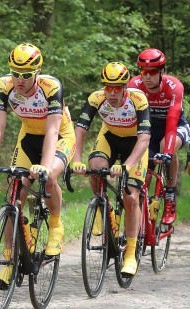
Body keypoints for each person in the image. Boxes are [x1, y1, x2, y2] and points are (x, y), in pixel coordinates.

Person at [0, 43, 75, 288]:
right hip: (28, 138)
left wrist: (43, 167)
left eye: (25, 74)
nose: (19, 80)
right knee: (15, 192)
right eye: (15, 73)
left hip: (59, 137)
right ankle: (9, 259)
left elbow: (53, 130)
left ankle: (55, 225)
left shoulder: (51, 87)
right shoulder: (4, 86)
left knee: (49, 176)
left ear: (37, 71)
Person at [71, 62, 150, 277]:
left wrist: (126, 166)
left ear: (125, 87)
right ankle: (102, 209)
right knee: (96, 168)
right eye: (108, 87)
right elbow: (80, 130)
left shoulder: (138, 100)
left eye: (117, 88)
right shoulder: (97, 98)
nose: (112, 93)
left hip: (135, 144)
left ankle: (131, 254)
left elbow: (144, 139)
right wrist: (77, 159)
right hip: (109, 137)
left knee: (131, 197)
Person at [128, 48, 189, 225]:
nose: (147, 76)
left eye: (152, 72)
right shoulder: (134, 86)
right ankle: (139, 224)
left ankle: (170, 195)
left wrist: (168, 153)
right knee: (142, 179)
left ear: (162, 72)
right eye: (143, 71)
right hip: (148, 132)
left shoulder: (174, 87)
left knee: (165, 147)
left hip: (175, 127)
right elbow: (132, 121)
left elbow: (171, 122)